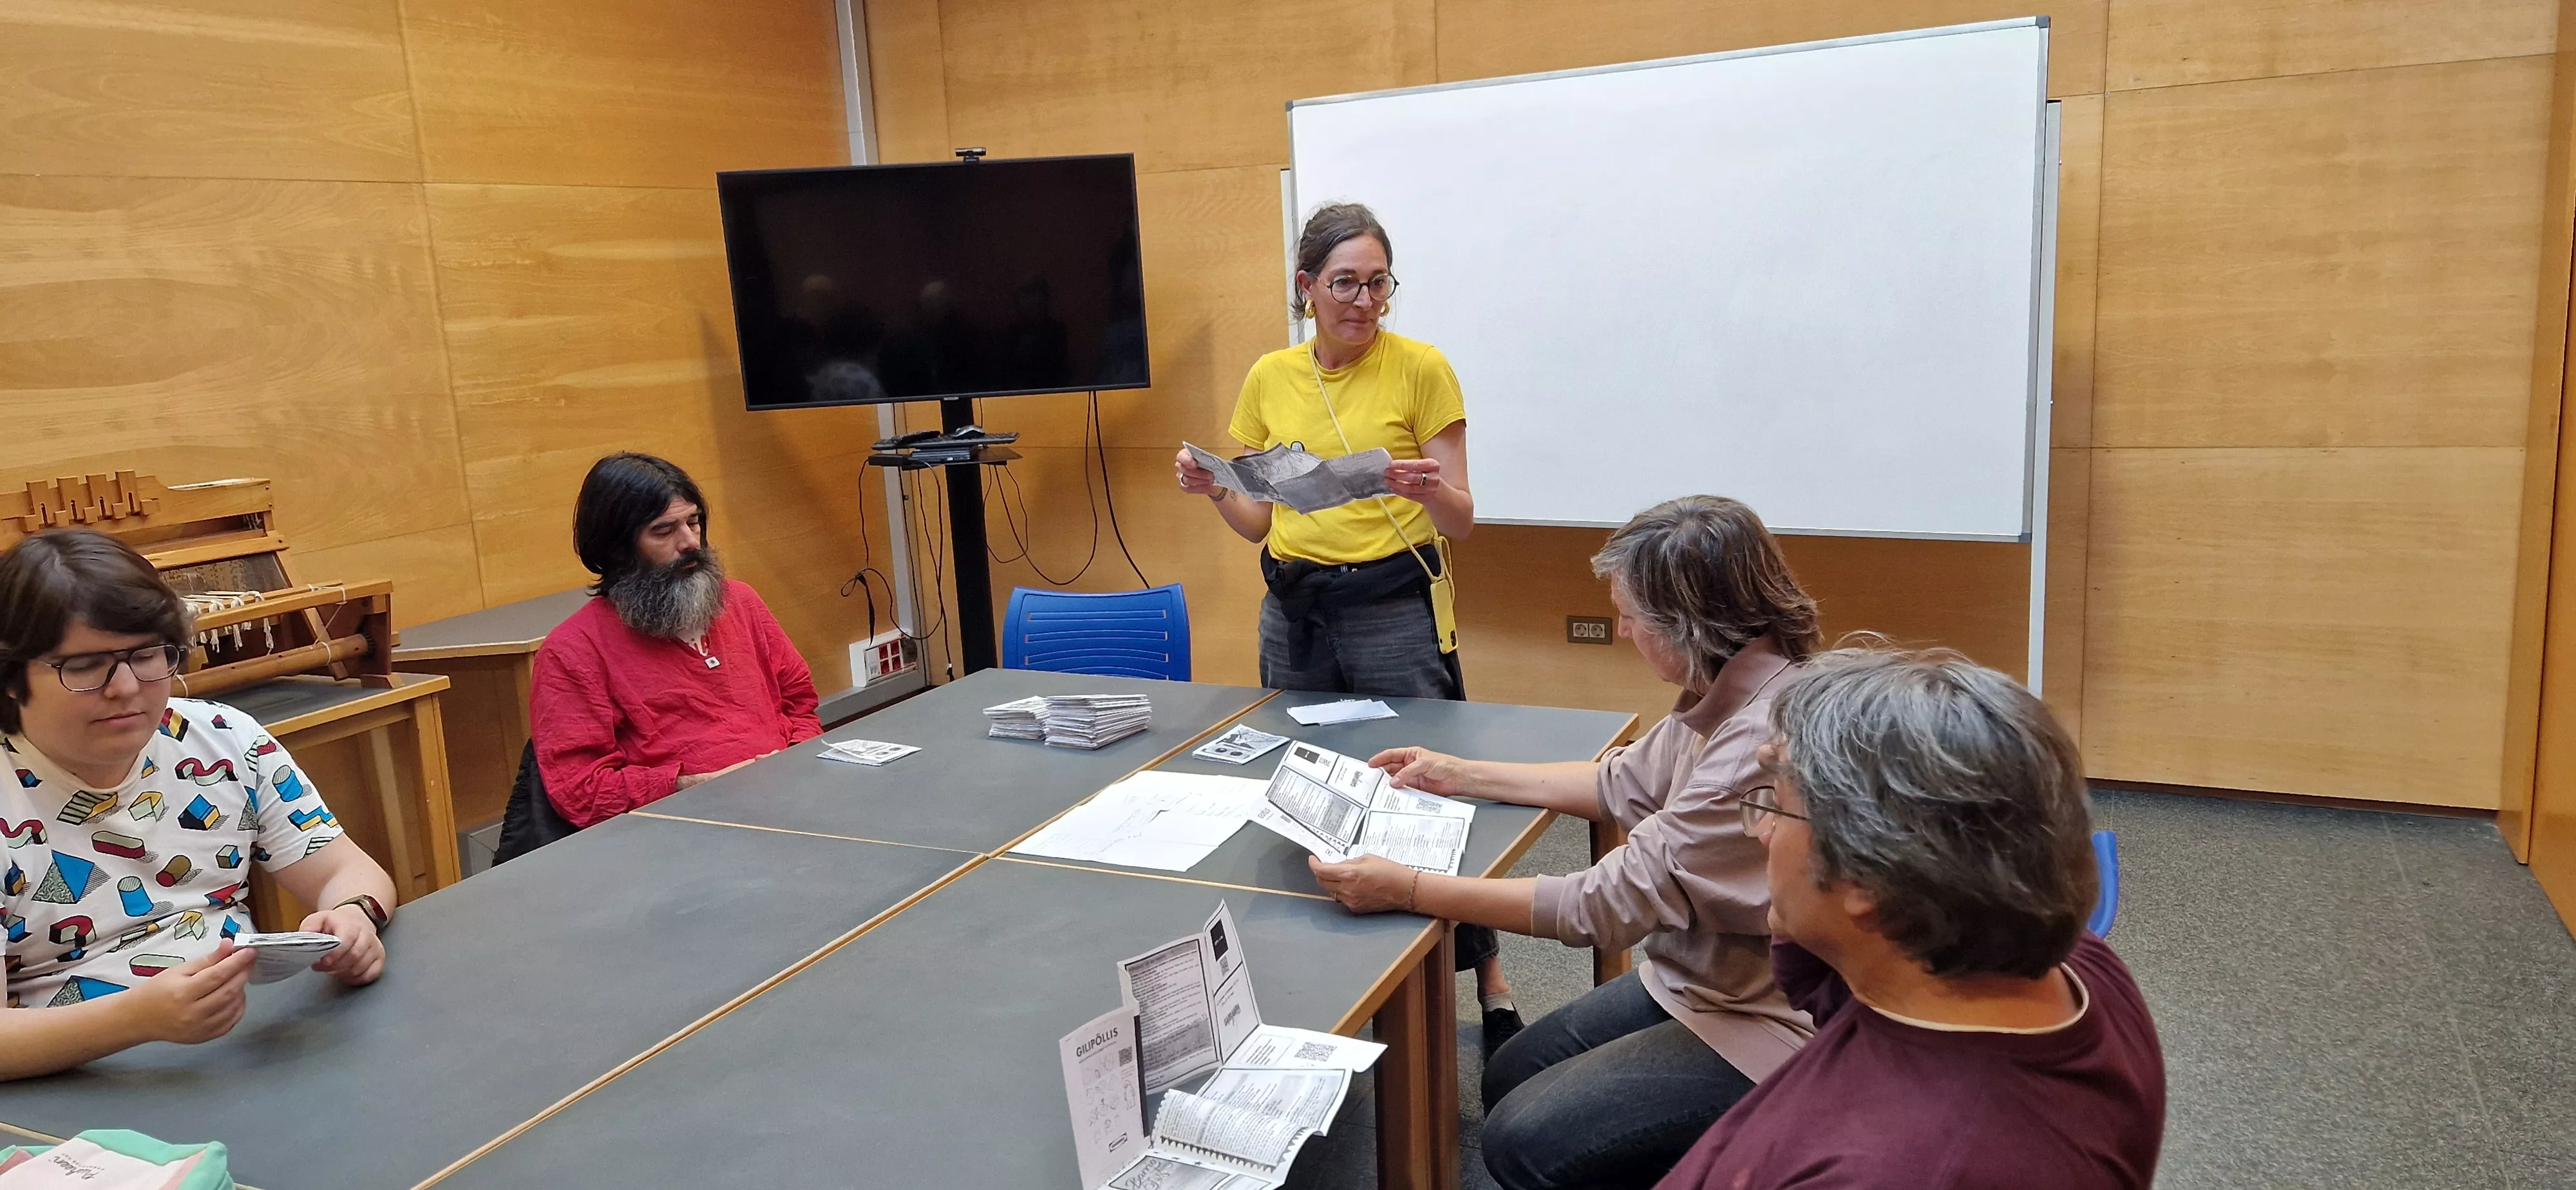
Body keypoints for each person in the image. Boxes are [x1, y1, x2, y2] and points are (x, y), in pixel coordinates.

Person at [1307, 495, 1823, 1190]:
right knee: (1510, 1072)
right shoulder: (1735, 682)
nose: (1618, 631)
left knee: (1523, 1141)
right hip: (1698, 978)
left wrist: (1406, 889)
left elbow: (1600, 906)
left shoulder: (1749, 742)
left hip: (1765, 1018)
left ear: (1686, 628)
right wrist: (1460, 772)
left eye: (1631, 618)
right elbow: (1620, 782)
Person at [1172, 202, 1516, 1041]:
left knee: (1422, 794)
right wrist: (1219, 488)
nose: (1364, 302)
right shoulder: (1270, 378)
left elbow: (1464, 520)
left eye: (1377, 284)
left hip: (1392, 609)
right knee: (1307, 794)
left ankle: (1489, 982)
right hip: (1294, 612)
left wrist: (1427, 488)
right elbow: (1259, 522)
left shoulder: (1421, 368)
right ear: (1306, 288)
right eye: (1344, 284)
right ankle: (1336, 983)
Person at [1656, 648, 2166, 1190]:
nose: (1762, 834)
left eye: (1776, 808)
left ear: (1867, 883)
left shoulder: (1905, 1169)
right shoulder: (2067, 960)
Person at [0, 530, 395, 1081]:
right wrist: (134, 1021)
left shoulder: (223, 738)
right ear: (13, 677)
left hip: (247, 1047)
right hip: (77, 1089)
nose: (127, 687)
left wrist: (351, 916)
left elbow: (347, 869)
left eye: (146, 655)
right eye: (86, 666)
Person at [531, 453, 822, 827]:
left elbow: (800, 704)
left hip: (791, 801)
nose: (689, 543)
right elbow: (581, 791)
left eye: (694, 522)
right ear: (618, 548)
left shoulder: (742, 601)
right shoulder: (572, 651)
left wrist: (796, 758)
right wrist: (690, 787)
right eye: (664, 531)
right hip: (677, 831)